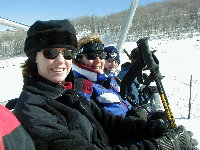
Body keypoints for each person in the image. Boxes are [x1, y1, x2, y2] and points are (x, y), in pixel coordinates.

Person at [12, 19, 198, 150]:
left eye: (68, 53)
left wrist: (157, 129)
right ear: (33, 58)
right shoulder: (33, 110)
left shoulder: (68, 94)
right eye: (51, 52)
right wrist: (159, 146)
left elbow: (113, 124)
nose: (61, 61)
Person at [72, 34, 147, 119]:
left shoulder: (109, 79)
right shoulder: (81, 87)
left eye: (101, 56)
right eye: (91, 56)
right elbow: (93, 126)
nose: (98, 61)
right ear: (79, 58)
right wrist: (133, 122)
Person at [118, 47, 163, 114]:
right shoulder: (129, 77)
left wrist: (146, 83)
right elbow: (135, 102)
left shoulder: (132, 72)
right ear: (140, 61)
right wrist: (147, 93)